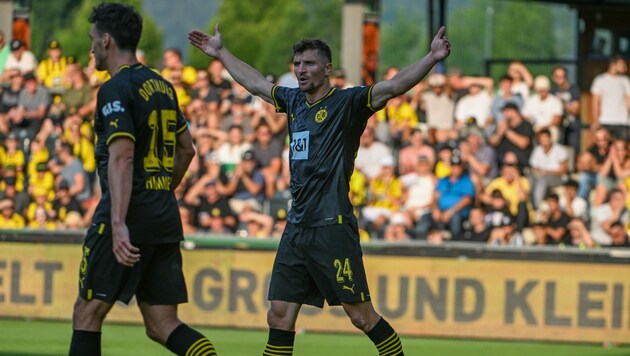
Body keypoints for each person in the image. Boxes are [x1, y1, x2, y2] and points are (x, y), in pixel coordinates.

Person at [189, 21, 450, 355]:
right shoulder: (294, 102)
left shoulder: (349, 103)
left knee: (361, 317)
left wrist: (430, 58)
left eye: (309, 63)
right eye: (297, 63)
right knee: (279, 316)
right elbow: (254, 83)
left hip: (332, 227)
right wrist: (221, 52)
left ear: (327, 69)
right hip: (297, 227)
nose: (301, 70)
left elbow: (395, 85)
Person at [69, 4, 217, 356]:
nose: (91, 50)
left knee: (87, 313)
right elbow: (188, 150)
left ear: (106, 40)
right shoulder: (163, 86)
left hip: (127, 213)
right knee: (162, 324)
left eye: (93, 41)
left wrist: (118, 223)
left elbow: (122, 156)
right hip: (163, 214)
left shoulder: (114, 89)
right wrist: (164, 189)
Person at [590, 55, 630, 141]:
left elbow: (628, 102)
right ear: (613, 64)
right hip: (605, 121)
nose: (625, 67)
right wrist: (595, 120)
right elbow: (595, 102)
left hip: (622, 121)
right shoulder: (600, 80)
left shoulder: (625, 81)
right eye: (622, 64)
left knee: (622, 147)